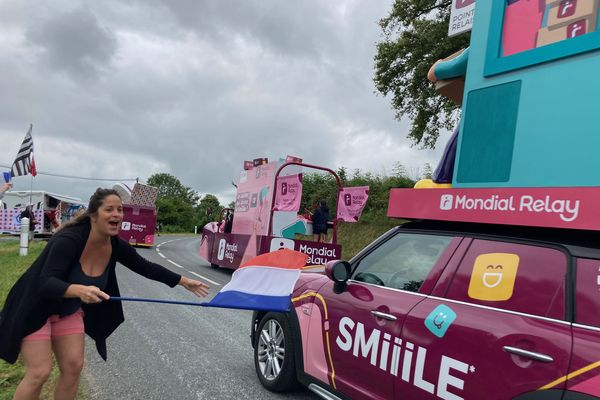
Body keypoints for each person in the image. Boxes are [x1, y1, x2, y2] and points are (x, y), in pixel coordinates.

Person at [0, 188, 210, 400]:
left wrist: (183, 281)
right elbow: (45, 283)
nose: (116, 214)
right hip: (33, 306)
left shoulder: (116, 245)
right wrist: (79, 290)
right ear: (94, 215)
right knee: (40, 372)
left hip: (67, 310)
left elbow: (145, 266)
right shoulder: (69, 240)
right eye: (109, 209)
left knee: (73, 367)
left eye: (119, 210)